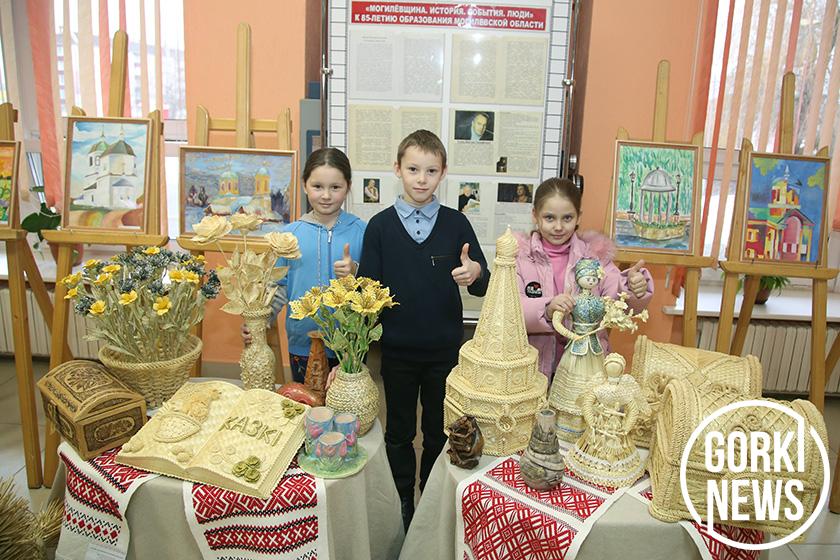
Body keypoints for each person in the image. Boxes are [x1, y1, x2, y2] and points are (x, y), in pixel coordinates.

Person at [358, 129, 490, 530]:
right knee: (399, 432)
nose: (421, 178)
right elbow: (367, 292)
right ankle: (403, 502)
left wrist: (474, 272)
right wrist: (358, 356)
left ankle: (430, 500)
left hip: (443, 353)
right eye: (413, 169)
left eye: (430, 170)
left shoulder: (456, 224)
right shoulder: (379, 227)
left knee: (437, 432)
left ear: (443, 173)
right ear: (397, 169)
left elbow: (483, 282)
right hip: (396, 352)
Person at [242, 148, 366, 383]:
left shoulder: (363, 232)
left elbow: (374, 289)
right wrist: (261, 321)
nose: (326, 195)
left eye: (335, 187)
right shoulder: (289, 235)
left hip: (350, 346)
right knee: (305, 407)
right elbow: (278, 288)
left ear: (348, 186)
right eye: (318, 186)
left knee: (347, 410)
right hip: (302, 344)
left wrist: (355, 272)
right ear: (304, 185)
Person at [515, 177, 653, 378]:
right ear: (535, 215)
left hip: (586, 371)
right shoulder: (519, 257)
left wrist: (632, 287)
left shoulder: (596, 256)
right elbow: (511, 310)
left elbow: (616, 299)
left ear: (578, 217)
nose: (559, 227)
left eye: (567, 218)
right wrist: (546, 309)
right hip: (532, 370)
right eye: (550, 218)